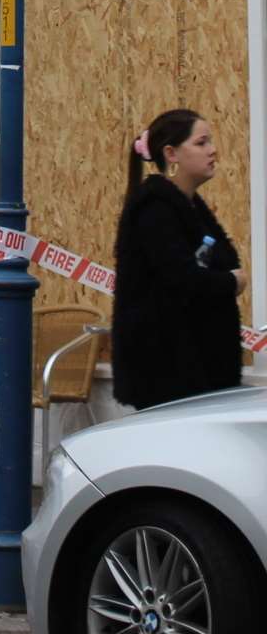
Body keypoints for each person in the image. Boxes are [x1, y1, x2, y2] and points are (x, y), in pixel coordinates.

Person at [113, 109, 247, 410]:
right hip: (168, 370)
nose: (213, 150)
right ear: (171, 153)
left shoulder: (191, 207)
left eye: (210, 142)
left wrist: (226, 278)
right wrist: (230, 281)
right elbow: (181, 278)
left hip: (200, 367)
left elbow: (224, 259)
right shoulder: (153, 209)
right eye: (201, 143)